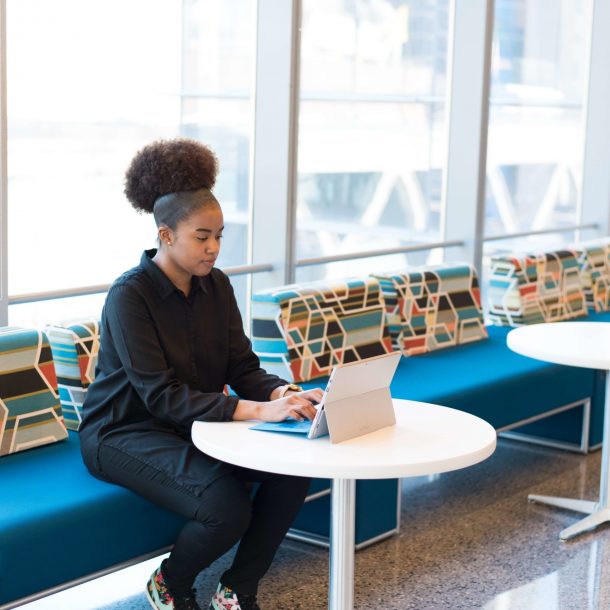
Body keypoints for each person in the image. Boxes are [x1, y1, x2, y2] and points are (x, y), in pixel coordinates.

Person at [79, 138, 324, 610]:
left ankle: (237, 588)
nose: (213, 248)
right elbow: (161, 397)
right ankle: (170, 584)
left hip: (193, 425)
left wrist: (285, 393)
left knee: (291, 473)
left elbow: (241, 365)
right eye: (202, 236)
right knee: (225, 508)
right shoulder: (129, 297)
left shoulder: (218, 286)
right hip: (123, 433)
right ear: (166, 236)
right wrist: (258, 410)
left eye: (219, 235)